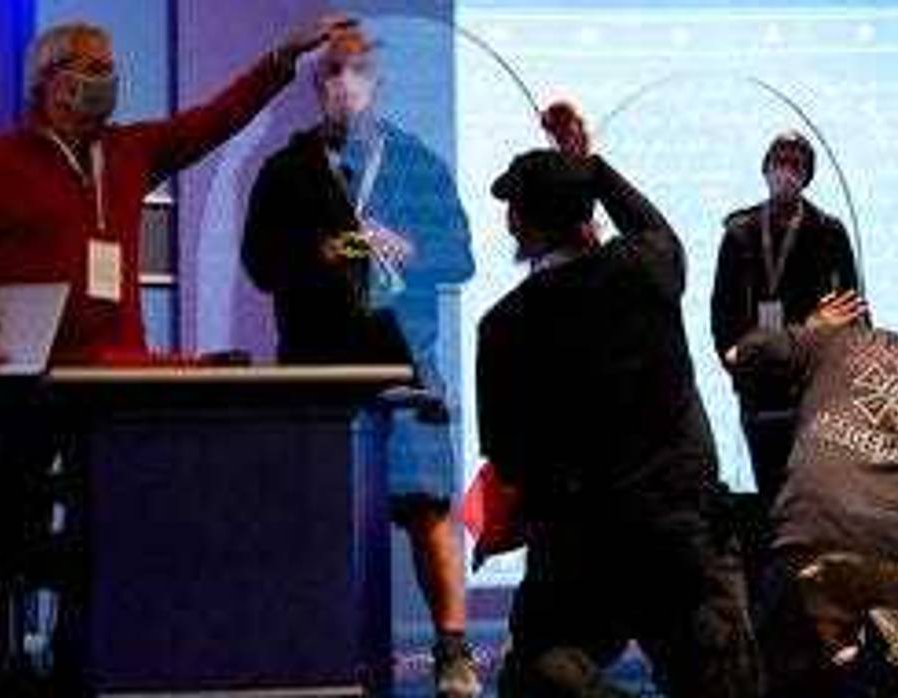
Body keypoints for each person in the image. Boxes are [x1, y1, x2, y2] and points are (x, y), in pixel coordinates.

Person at [0, 17, 348, 693]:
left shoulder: (130, 150)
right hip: (28, 376)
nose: (108, 80)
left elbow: (216, 119)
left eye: (110, 65)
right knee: (7, 529)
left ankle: (84, 658)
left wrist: (281, 57)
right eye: (94, 66)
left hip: (117, 378)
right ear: (52, 82)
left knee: (111, 527)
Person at [477, 103, 760, 698]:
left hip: (578, 543)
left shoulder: (504, 326)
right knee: (720, 679)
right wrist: (593, 167)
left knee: (541, 676)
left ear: (518, 226)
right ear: (587, 215)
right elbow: (650, 225)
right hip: (680, 533)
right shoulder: (648, 268)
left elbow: (508, 455)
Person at [240, 26, 479, 697]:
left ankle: (452, 649)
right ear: (316, 87)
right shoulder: (287, 170)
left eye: (355, 72)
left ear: (377, 82)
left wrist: (407, 248)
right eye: (331, 74)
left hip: (405, 363)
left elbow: (459, 258)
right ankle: (315, 644)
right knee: (316, 514)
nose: (343, 85)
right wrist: (318, 255)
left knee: (429, 507)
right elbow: (259, 265)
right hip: (317, 368)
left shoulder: (416, 163)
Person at [726, 303, 898, 697]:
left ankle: (849, 658)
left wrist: (811, 326)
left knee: (781, 655)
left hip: (808, 533)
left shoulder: (844, 341)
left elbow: (740, 355)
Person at [711, 131, 860, 507]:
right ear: (765, 168)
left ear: (807, 174)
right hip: (759, 380)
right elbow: (721, 313)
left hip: (812, 381)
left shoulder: (828, 231)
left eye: (796, 163)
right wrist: (733, 361)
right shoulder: (739, 233)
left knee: (812, 492)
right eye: (780, 160)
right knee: (771, 495)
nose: (786, 170)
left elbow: (854, 309)